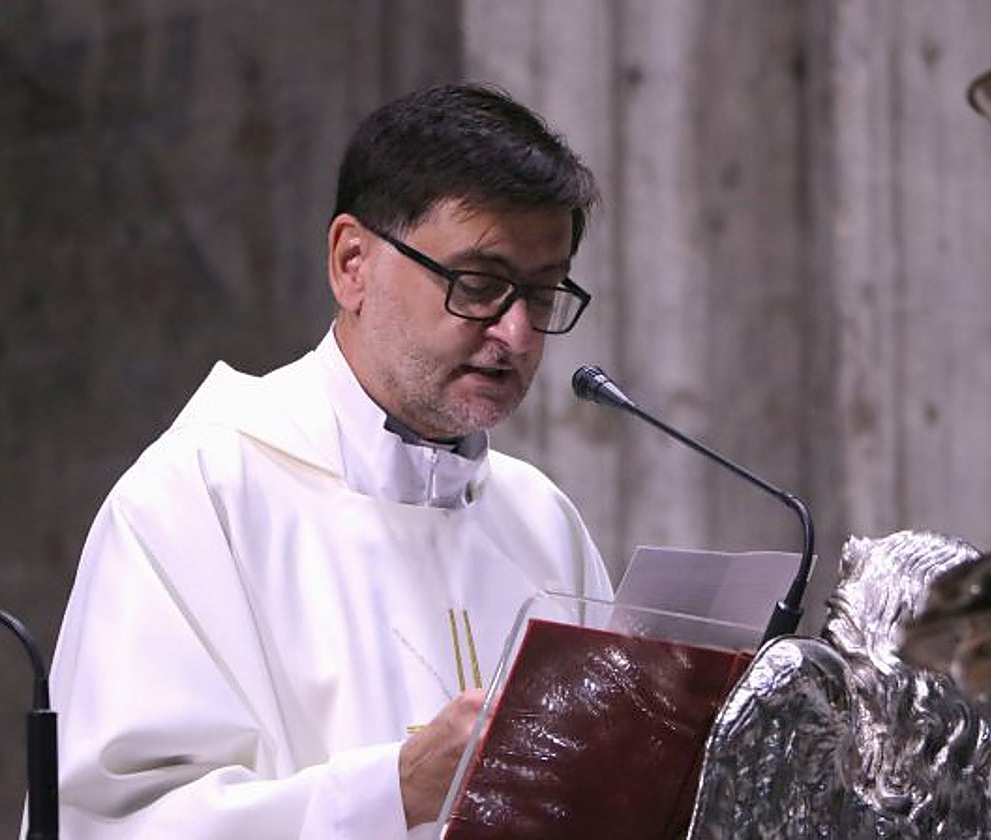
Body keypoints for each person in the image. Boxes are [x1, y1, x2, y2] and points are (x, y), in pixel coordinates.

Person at [42, 82, 614, 839]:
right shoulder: (198, 498)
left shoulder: (543, 523)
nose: (516, 334)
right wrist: (393, 791)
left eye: (540, 296)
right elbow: (117, 825)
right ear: (352, 263)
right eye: (478, 284)